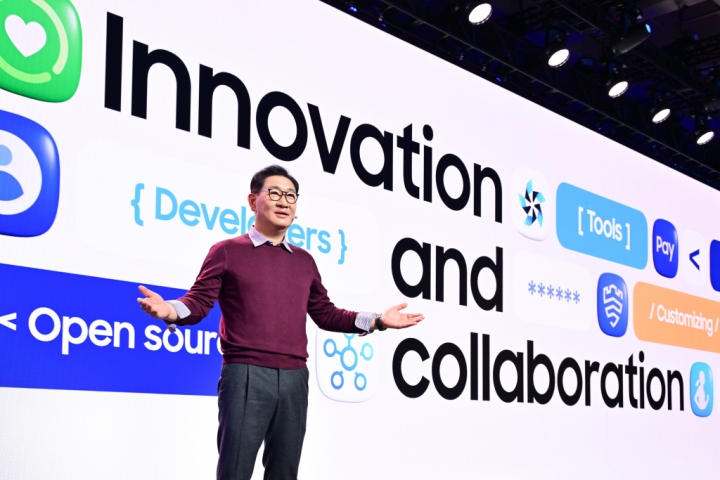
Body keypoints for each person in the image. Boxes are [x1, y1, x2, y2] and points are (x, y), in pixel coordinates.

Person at [136, 165, 424, 480]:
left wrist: (378, 320)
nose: (284, 201)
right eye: (274, 193)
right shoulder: (227, 251)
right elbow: (199, 301)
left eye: (291, 196)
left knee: (284, 473)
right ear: (253, 200)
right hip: (246, 375)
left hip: (294, 380)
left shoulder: (304, 261)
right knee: (235, 471)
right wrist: (169, 310)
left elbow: (326, 313)